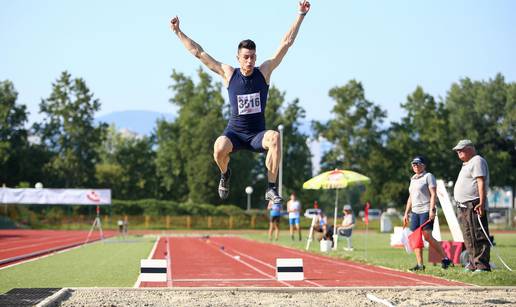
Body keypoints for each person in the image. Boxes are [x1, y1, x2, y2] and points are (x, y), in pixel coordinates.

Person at [170, 1, 311, 206]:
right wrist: (178, 32)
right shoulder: (229, 73)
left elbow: (286, 43)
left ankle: (271, 189)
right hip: (235, 134)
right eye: (246, 57)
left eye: (253, 56)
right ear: (238, 57)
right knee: (219, 147)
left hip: (256, 135)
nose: (250, 61)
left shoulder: (264, 72)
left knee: (275, 137)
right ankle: (225, 174)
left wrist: (300, 14)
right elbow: (199, 53)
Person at [403, 156, 451, 272]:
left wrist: (431, 210)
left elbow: (433, 194)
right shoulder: (413, 179)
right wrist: (406, 213)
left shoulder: (428, 176)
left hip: (425, 209)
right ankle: (420, 265)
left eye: (418, 164)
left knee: (427, 236)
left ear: (423, 165)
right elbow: (410, 197)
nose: (415, 166)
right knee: (415, 238)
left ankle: (445, 258)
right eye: (413, 164)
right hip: (415, 212)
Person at [452, 139, 491, 272]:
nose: (458, 152)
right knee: (468, 236)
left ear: (470, 149)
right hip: (463, 205)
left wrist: (481, 201)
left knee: (478, 234)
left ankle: (482, 265)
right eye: (457, 150)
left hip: (474, 203)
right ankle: (472, 263)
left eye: (461, 149)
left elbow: (481, 181)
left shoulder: (477, 160)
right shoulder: (466, 164)